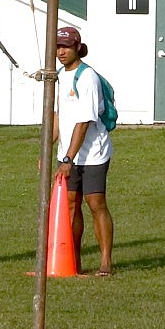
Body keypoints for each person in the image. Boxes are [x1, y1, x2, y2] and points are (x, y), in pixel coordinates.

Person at [53, 24, 115, 275]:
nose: (61, 51)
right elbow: (58, 115)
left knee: (95, 202)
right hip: (67, 153)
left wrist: (68, 157)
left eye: (66, 46)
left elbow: (84, 121)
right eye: (58, 46)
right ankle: (73, 260)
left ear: (78, 47)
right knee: (70, 203)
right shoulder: (59, 75)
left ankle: (105, 262)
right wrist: (47, 151)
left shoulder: (87, 77)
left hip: (93, 153)